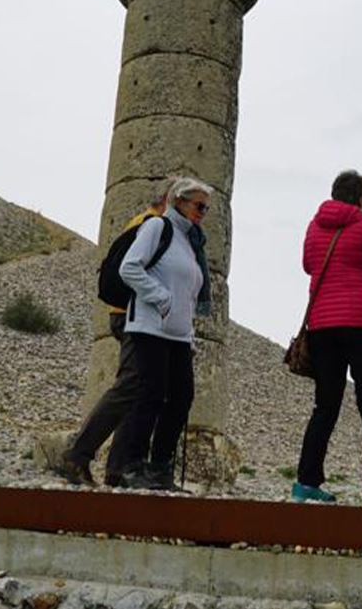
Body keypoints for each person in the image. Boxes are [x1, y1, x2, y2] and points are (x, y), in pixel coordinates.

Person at [55, 179, 174, 487]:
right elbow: (134, 271)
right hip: (132, 316)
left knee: (138, 389)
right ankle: (78, 454)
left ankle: (117, 468)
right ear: (168, 200)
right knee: (130, 386)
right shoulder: (152, 225)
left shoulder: (142, 222)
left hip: (128, 314)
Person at [291, 170, 362, 504]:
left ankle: (305, 482)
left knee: (325, 405)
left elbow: (308, 265)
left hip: (322, 325)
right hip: (360, 323)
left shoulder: (314, 226)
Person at [110, 176, 214, 490]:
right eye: (199, 206)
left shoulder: (191, 242)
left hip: (179, 334)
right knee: (150, 394)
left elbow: (189, 291)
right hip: (149, 326)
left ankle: (160, 466)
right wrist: (161, 298)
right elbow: (129, 267)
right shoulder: (157, 227)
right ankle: (132, 465)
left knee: (182, 397)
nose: (203, 213)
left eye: (206, 208)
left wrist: (189, 330)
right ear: (178, 201)